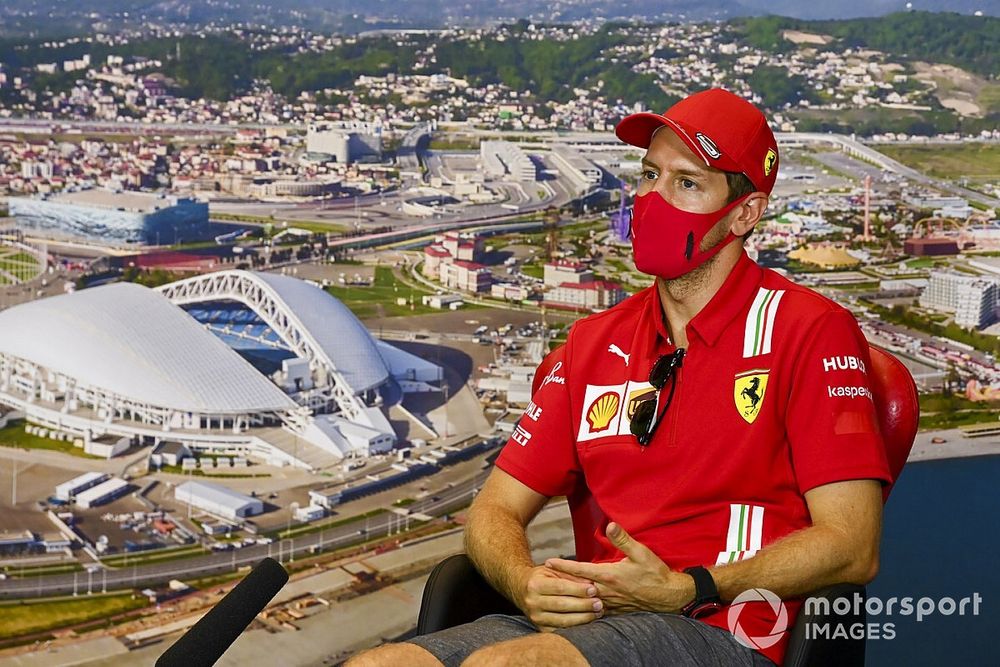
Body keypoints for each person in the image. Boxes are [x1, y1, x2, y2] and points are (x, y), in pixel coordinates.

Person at [349, 88, 890, 667]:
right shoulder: (591, 344)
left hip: (725, 628)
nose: (654, 199)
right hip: (591, 623)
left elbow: (852, 547)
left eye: (686, 183)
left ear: (743, 213)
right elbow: (493, 511)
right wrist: (524, 581)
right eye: (649, 175)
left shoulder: (810, 332)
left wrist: (690, 587)